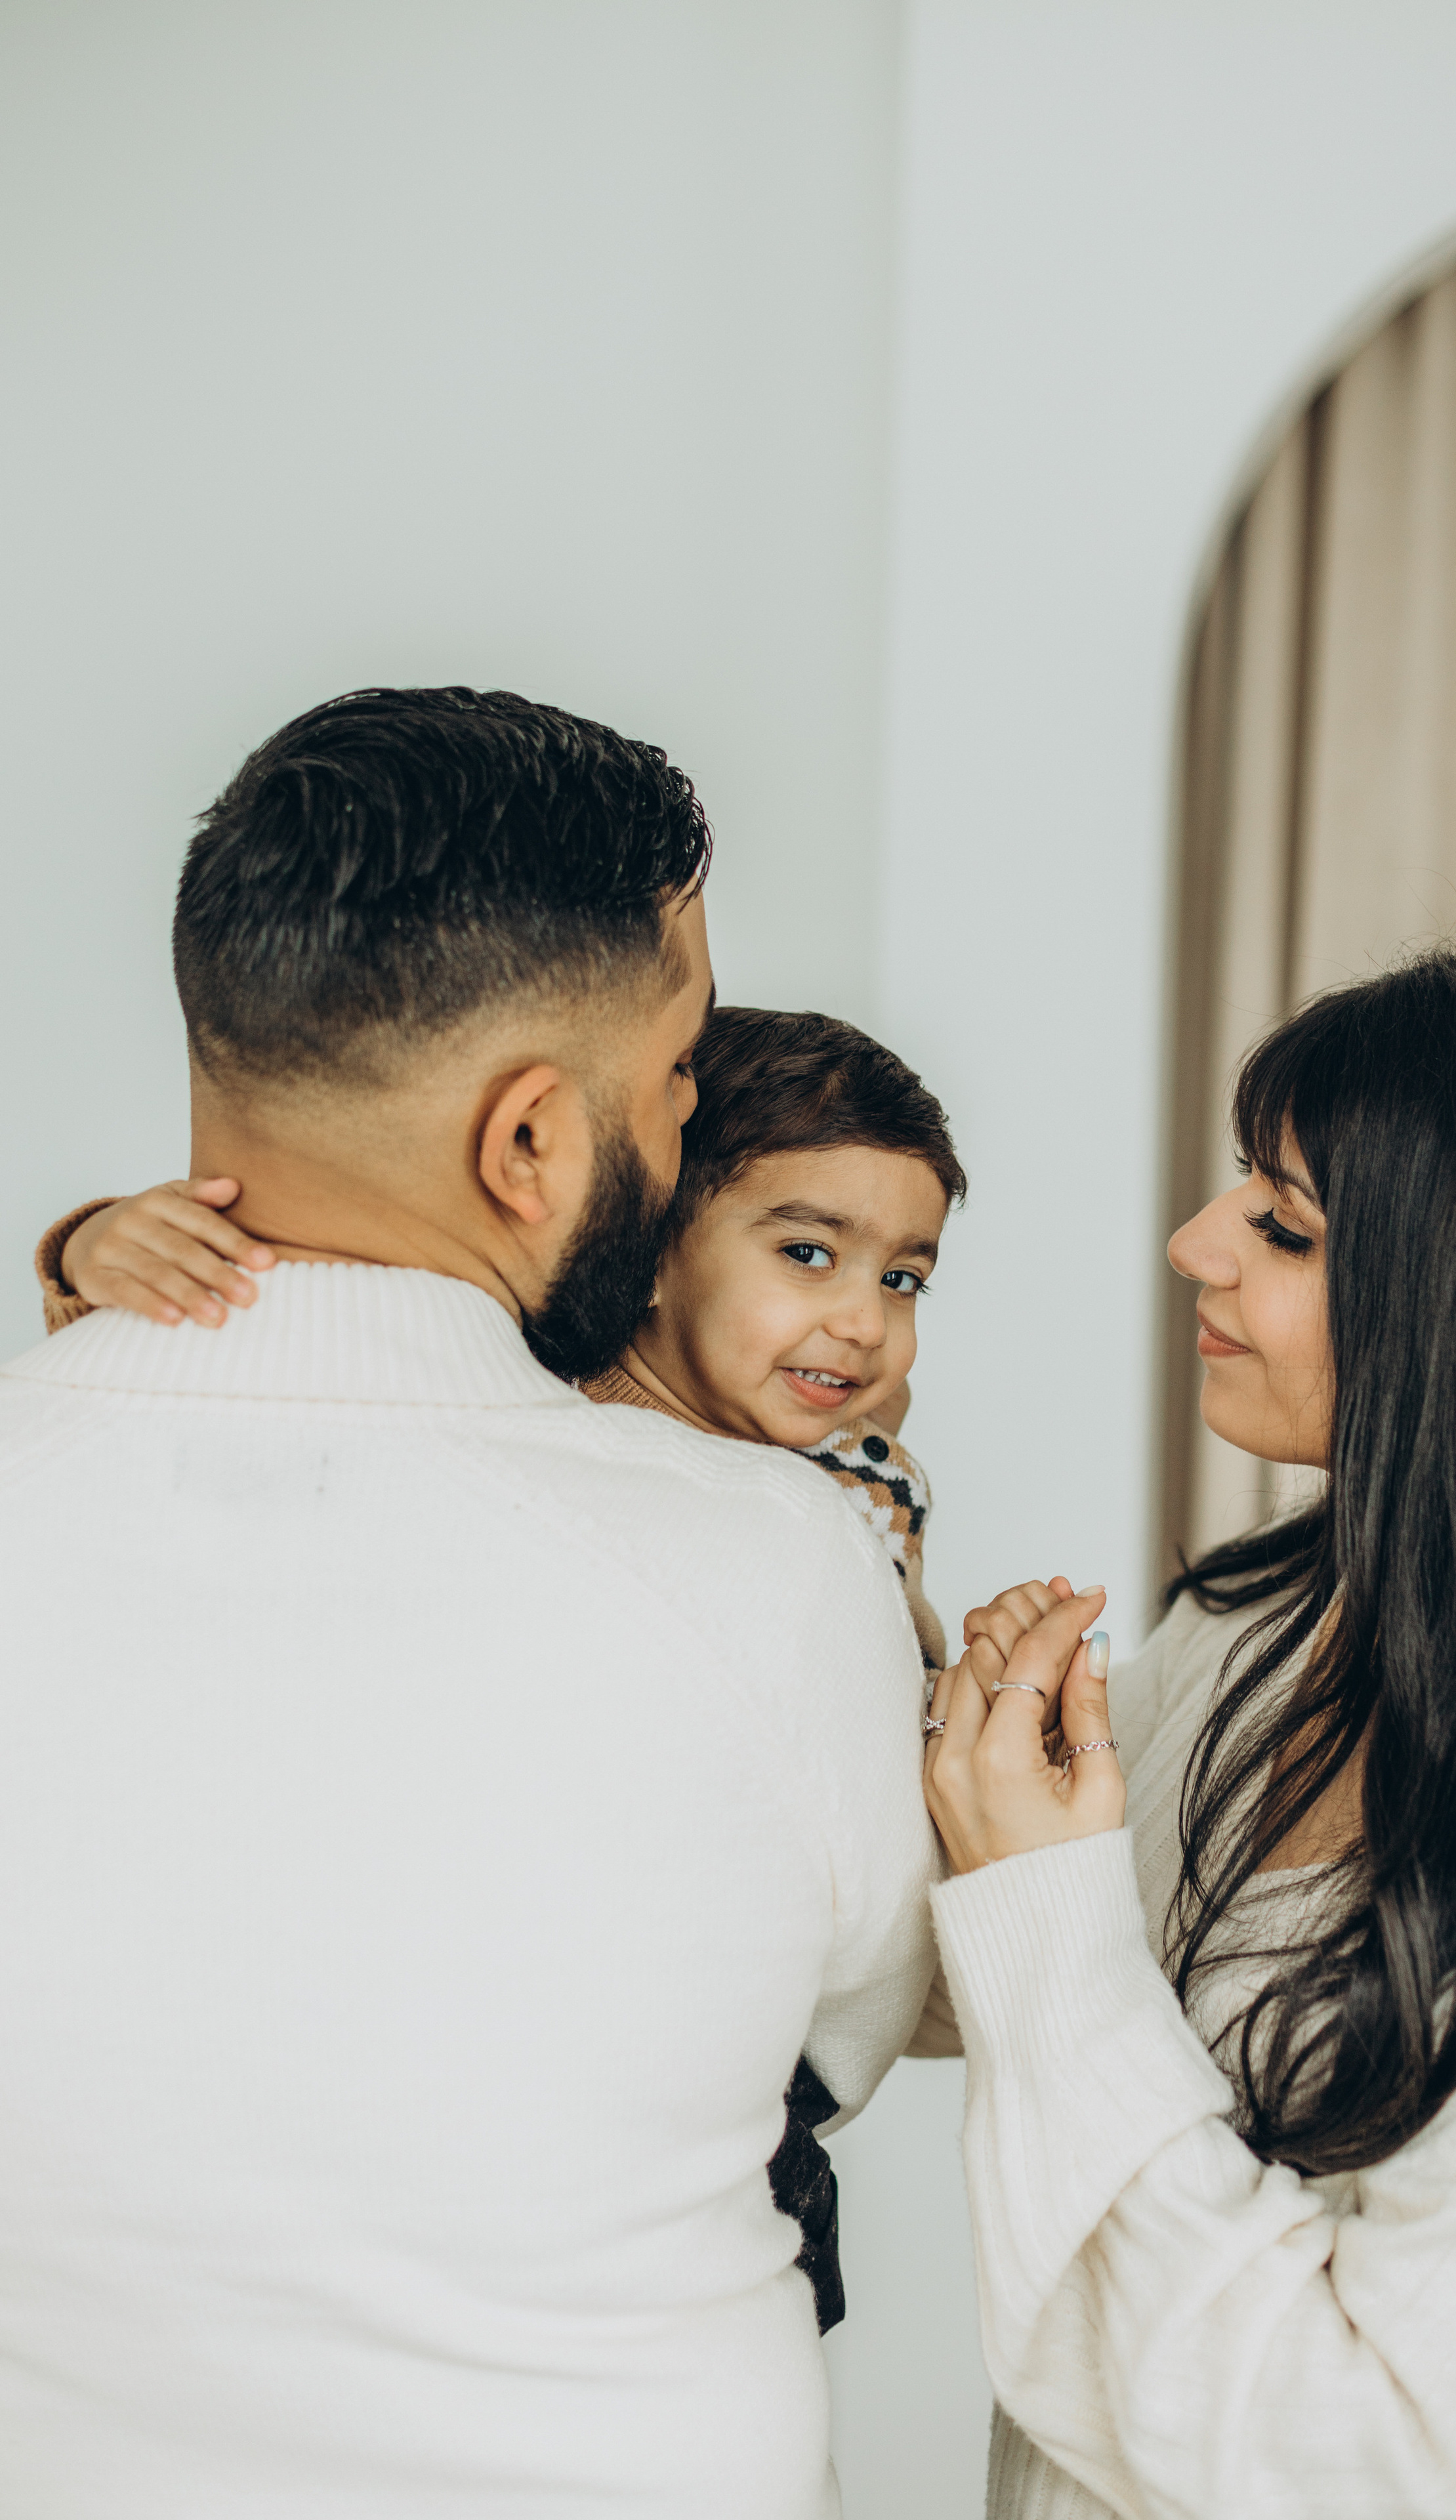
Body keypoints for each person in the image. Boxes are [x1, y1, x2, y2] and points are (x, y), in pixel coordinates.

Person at [0, 685, 939, 2517]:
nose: (684, 1122)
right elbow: (843, 2035)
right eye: (677, 1080)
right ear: (528, 1146)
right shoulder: (773, 1566)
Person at [33, 1001, 968, 2330]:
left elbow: (863, 1862)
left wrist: (953, 1695)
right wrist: (88, 1246)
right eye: (807, 1254)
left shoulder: (857, 1479)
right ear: (651, 1247)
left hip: (722, 2095)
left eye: (903, 1281)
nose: (863, 1323)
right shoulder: (524, 1388)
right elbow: (289, 1355)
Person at [922, 948, 1456, 2520]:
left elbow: (1372, 2465)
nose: (1192, 1243)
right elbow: (947, 1975)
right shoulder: (1262, 1625)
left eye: (1281, 1227)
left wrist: (1041, 1896)